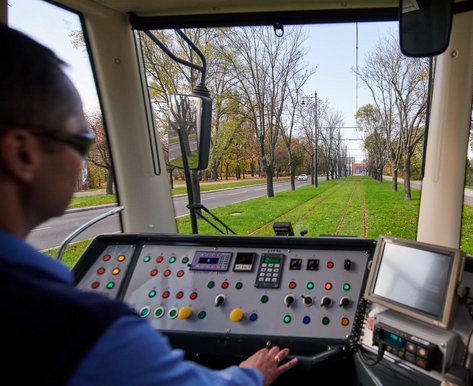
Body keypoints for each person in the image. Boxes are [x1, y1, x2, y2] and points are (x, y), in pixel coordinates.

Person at [0, 25, 298, 386]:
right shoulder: (85, 331)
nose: (84, 159)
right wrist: (252, 374)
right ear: (22, 153)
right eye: (80, 142)